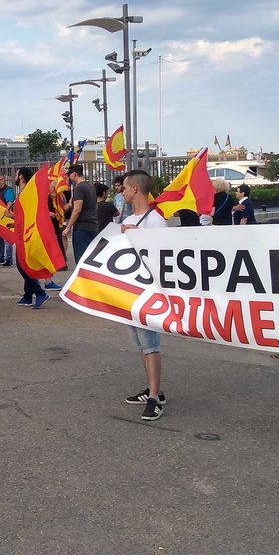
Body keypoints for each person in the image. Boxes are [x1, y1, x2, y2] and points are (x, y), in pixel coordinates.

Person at [119, 169, 170, 420]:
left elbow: (163, 257)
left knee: (151, 345)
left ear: (135, 189)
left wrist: (137, 238)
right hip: (132, 290)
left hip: (149, 292)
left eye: (125, 188)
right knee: (141, 344)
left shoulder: (155, 220)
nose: (123, 191)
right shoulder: (132, 218)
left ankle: (155, 396)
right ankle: (152, 388)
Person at [13, 167, 48, 309]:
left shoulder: (26, 193)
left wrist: (9, 215)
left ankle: (39, 292)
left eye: (16, 174)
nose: (15, 177)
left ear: (21, 176)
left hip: (27, 234)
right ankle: (28, 295)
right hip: (23, 232)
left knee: (23, 265)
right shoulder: (25, 192)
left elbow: (27, 214)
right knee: (24, 263)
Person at [63, 164, 99, 265]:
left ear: (74, 173)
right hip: (92, 225)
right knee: (91, 259)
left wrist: (68, 227)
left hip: (82, 228)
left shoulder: (79, 188)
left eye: (69, 174)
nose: (69, 176)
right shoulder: (90, 187)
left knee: (81, 260)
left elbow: (77, 209)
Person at [0, 173, 16, 265]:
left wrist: (6, 212)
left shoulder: (8, 190)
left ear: (3, 181)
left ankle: (9, 260)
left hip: (7, 218)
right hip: (0, 218)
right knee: (0, 238)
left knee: (7, 239)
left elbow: (10, 202)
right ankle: (0, 257)